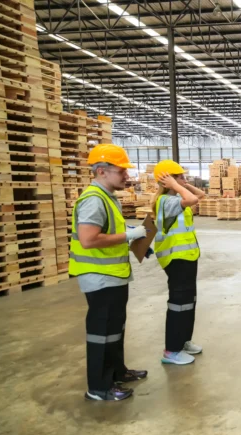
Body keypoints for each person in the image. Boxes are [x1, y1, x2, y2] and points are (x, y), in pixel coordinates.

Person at [69, 144, 149, 401]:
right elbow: (89, 239)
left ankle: (117, 372)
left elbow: (109, 232)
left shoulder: (108, 197)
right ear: (102, 171)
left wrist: (133, 240)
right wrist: (128, 235)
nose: (127, 176)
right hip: (99, 277)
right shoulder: (94, 200)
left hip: (113, 274)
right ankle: (99, 388)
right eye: (121, 171)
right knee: (101, 332)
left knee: (115, 328)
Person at [152, 160, 205, 365]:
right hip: (175, 259)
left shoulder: (175, 197)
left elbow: (200, 196)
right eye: (180, 176)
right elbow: (192, 199)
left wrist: (180, 184)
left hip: (188, 257)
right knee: (178, 304)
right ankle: (171, 350)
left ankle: (183, 341)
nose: (185, 180)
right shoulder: (167, 201)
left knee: (189, 301)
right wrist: (174, 186)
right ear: (167, 181)